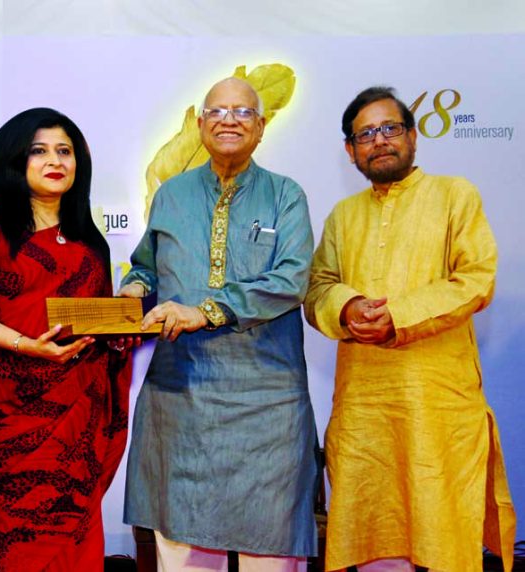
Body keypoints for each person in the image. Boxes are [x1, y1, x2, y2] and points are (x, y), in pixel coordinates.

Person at [304, 86, 516, 572]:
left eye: (390, 129)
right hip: (364, 414)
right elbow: (317, 289)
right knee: (373, 534)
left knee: (443, 536)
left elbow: (476, 279)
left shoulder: (454, 195)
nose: (379, 141)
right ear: (350, 150)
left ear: (413, 137)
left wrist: (398, 315)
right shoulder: (342, 216)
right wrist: (348, 306)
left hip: (437, 408)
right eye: (366, 134)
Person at [119, 78, 318, 571]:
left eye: (243, 112)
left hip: (266, 400)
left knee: (268, 547)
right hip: (181, 397)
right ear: (202, 123)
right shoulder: (172, 195)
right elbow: (147, 264)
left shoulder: (285, 196)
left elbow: (291, 279)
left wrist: (203, 311)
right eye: (218, 111)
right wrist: (134, 290)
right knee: (182, 548)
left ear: (262, 127)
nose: (230, 120)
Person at [0, 107, 133, 571]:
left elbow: (93, 324)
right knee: (13, 543)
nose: (56, 161)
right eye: (40, 150)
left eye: (65, 151)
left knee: (74, 543)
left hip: (79, 420)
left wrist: (123, 331)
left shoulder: (90, 242)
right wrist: (27, 345)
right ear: (14, 159)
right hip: (11, 419)